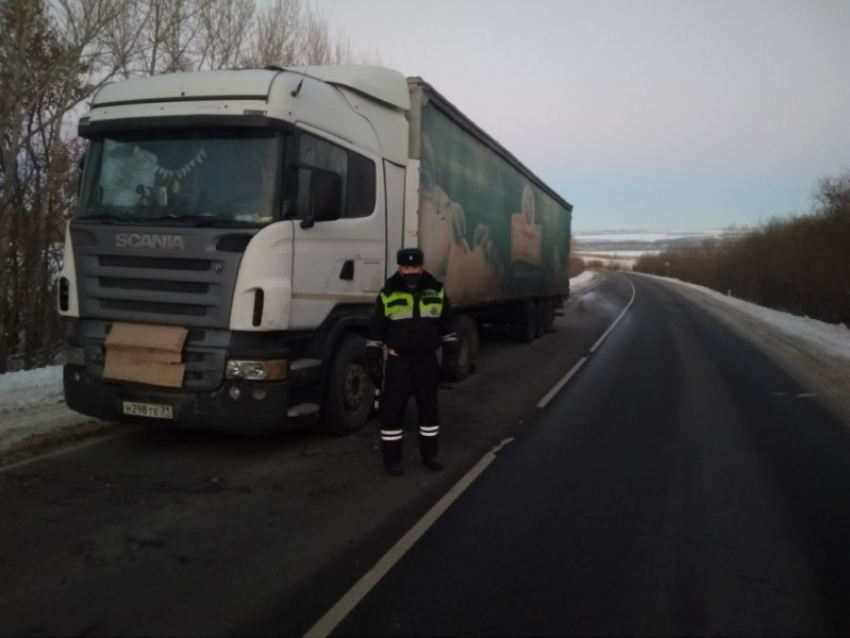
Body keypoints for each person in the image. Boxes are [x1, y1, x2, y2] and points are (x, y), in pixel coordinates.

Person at [367, 247, 460, 477]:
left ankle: (430, 456)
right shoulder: (388, 292)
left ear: (422, 267)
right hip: (399, 362)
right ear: (399, 267)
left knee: (429, 411)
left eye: (414, 267)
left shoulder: (436, 290)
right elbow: (376, 331)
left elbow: (447, 327)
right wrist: (373, 361)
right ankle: (392, 461)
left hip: (426, 362)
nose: (410, 271)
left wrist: (450, 357)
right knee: (393, 412)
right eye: (406, 267)